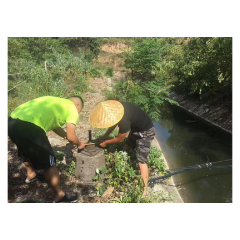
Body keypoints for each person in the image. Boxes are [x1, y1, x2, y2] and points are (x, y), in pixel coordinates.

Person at [7, 96, 86, 203]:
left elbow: (56, 127)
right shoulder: (72, 108)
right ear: (77, 105)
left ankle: (31, 175)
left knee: (25, 148)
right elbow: (72, 136)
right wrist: (79, 143)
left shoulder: (56, 102)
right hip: (29, 125)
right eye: (79, 111)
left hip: (12, 122)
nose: (78, 113)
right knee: (49, 161)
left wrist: (66, 137)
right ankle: (60, 196)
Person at [89, 100, 155, 196]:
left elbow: (120, 139)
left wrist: (106, 142)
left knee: (141, 161)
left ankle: (143, 190)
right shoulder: (117, 108)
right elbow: (114, 123)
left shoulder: (124, 120)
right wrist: (106, 135)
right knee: (127, 146)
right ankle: (122, 165)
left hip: (145, 132)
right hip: (136, 128)